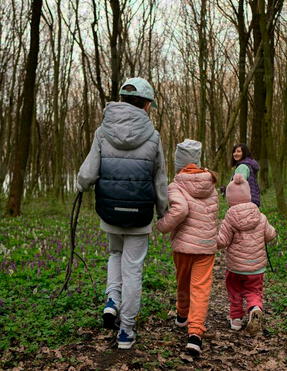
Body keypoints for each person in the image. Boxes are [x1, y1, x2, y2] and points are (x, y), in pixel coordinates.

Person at [76, 77, 168, 349]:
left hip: (110, 213)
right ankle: (126, 331)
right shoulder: (153, 135)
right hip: (139, 216)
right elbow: (159, 179)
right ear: (146, 104)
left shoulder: (103, 132)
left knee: (115, 254)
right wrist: (163, 210)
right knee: (133, 269)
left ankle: (112, 300)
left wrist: (81, 185)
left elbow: (89, 172)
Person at [156, 139, 218, 357]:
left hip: (183, 246)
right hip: (206, 247)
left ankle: (183, 315)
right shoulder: (210, 184)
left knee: (183, 281)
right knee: (200, 288)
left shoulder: (175, 185)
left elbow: (180, 210)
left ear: (178, 162)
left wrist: (162, 226)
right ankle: (195, 335)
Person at [217, 174, 276, 335]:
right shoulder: (260, 216)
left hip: (235, 268)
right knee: (254, 291)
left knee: (234, 291)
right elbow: (270, 235)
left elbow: (222, 241)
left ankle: (236, 320)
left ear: (230, 198)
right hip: (256, 268)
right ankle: (255, 308)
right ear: (248, 195)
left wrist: (209, 240)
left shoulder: (229, 218)